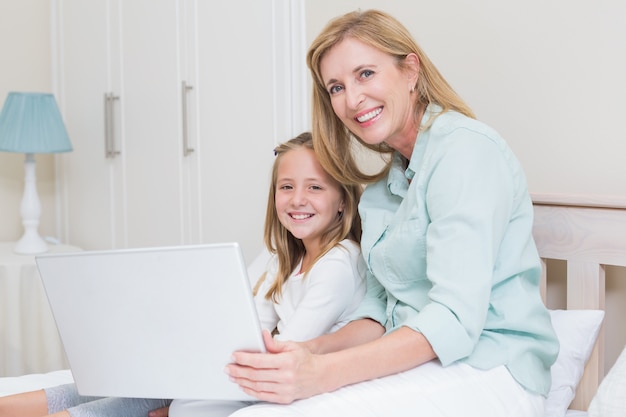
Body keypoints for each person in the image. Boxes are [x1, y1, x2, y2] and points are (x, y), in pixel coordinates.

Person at [172, 9, 560, 417]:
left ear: (410, 70)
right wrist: (302, 351)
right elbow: (378, 313)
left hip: (492, 366)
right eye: (336, 87)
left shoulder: (465, 151)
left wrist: (320, 373)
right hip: (420, 362)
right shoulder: (379, 189)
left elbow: (453, 319)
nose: (352, 99)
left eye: (365, 74)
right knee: (207, 407)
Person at [0, 132, 366, 417]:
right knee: (107, 384)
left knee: (133, 398)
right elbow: (247, 323)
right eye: (286, 187)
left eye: (315, 187)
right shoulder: (280, 256)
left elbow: (287, 352)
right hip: (225, 372)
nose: (297, 199)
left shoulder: (337, 265)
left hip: (260, 382)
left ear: (343, 201)